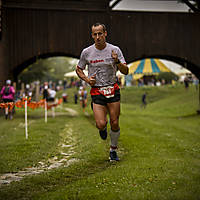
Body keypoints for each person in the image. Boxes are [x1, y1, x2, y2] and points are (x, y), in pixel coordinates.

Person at [76, 22, 129, 161]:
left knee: (115, 122)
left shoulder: (115, 50)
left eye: (100, 33)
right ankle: (102, 129)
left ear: (105, 33)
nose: (98, 36)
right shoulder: (87, 52)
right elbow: (79, 69)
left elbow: (126, 71)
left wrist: (117, 61)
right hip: (97, 90)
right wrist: (87, 80)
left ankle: (113, 150)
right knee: (101, 123)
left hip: (112, 88)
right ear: (92, 36)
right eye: (95, 34)